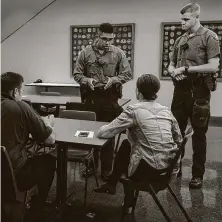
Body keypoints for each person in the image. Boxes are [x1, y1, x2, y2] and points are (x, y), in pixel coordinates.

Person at [94, 74, 182, 209]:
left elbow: (105, 132)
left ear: (138, 91)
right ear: (155, 92)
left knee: (128, 148)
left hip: (148, 170)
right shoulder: (166, 111)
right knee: (126, 145)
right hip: (168, 169)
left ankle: (119, 193)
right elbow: (179, 140)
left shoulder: (133, 110)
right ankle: (112, 184)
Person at [168, 3, 220, 189]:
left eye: (185, 19)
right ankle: (176, 166)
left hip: (199, 91)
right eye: (181, 19)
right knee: (176, 132)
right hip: (180, 90)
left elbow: (214, 66)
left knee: (199, 134)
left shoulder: (209, 37)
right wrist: (174, 71)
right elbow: (171, 64)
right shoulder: (179, 40)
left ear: (197, 17)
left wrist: (187, 69)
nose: (181, 22)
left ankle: (197, 174)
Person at [73, 22, 132, 180]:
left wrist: (113, 80)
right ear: (97, 36)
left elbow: (127, 74)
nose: (108, 42)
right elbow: (76, 74)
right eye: (105, 39)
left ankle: (106, 170)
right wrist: (86, 80)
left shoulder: (118, 53)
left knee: (108, 134)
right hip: (91, 98)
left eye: (110, 39)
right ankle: (91, 167)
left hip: (109, 98)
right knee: (90, 134)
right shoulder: (85, 53)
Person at [1, 72, 56, 222]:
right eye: (22, 90)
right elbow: (49, 140)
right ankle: (38, 210)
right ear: (15, 91)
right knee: (49, 162)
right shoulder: (20, 107)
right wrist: (47, 124)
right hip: (11, 176)